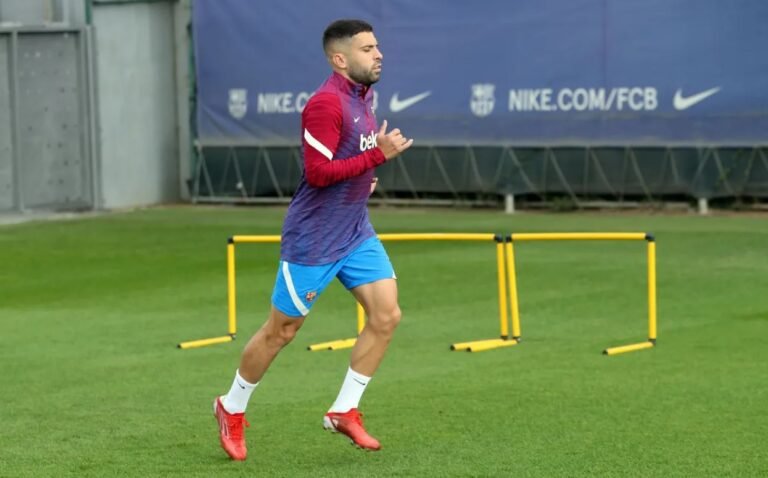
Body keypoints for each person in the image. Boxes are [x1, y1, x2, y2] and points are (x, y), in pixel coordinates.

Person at [213, 19, 414, 460]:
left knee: (386, 315)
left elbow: (352, 160)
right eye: (367, 48)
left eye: (377, 46)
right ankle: (231, 406)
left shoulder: (366, 99)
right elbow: (318, 175)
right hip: (315, 238)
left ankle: (344, 410)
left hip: (356, 231)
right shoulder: (325, 104)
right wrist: (378, 155)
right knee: (281, 331)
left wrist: (368, 170)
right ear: (340, 59)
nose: (378, 54)